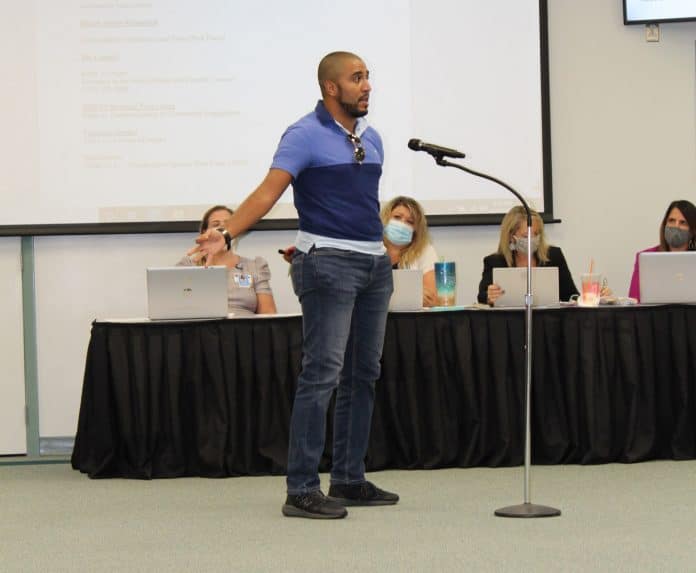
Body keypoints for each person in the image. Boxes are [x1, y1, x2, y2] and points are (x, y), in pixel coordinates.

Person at [190, 51, 398, 519]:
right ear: (331, 87)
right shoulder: (304, 134)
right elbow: (267, 192)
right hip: (327, 264)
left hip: (372, 266)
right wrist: (226, 233)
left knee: (363, 374)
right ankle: (301, 488)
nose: (367, 86)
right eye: (357, 78)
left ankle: (348, 478)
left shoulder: (374, 137)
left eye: (368, 77)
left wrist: (383, 250)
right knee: (321, 373)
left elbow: (360, 204)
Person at [180, 205, 277, 315]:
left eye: (227, 225)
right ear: (204, 232)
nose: (222, 230)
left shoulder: (255, 266)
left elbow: (268, 313)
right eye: (216, 225)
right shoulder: (187, 266)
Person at [477, 205, 579, 305]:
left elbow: (572, 295)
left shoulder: (554, 256)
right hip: (511, 320)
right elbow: (481, 297)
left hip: (548, 319)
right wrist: (489, 296)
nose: (532, 239)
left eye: (536, 234)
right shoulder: (495, 261)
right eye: (526, 236)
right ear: (511, 237)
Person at [628, 199, 696, 302]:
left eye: (683, 222)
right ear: (665, 224)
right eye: (671, 220)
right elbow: (633, 301)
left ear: (692, 231)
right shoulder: (646, 257)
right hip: (655, 316)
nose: (676, 226)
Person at [381, 196, 439, 306]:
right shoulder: (371, 249)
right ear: (385, 219)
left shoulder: (424, 250)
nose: (402, 223)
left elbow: (432, 299)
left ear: (416, 230)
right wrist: (412, 294)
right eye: (397, 217)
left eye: (410, 221)